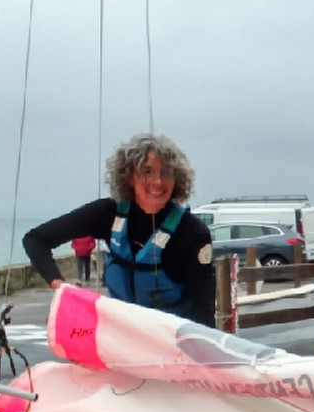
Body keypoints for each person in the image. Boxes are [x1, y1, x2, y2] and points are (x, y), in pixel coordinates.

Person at [23, 133, 215, 326]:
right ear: (129, 177)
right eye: (146, 171)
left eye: (166, 173)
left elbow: (204, 312)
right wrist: (60, 287)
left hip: (171, 337)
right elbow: (35, 239)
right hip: (119, 333)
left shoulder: (193, 232)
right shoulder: (107, 213)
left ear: (177, 180)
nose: (157, 181)